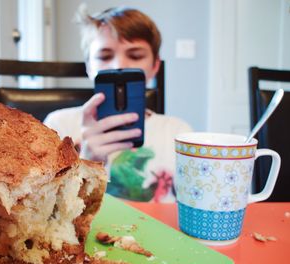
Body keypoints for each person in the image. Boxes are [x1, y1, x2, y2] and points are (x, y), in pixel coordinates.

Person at [44, 5, 192, 202]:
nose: (119, 65)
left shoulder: (177, 130)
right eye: (105, 56)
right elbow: (47, 206)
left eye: (136, 56)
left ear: (155, 66)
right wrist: (88, 160)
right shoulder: (58, 126)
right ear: (89, 66)